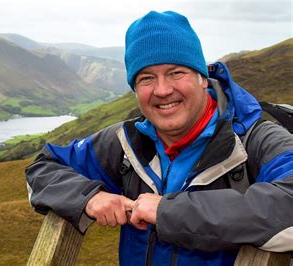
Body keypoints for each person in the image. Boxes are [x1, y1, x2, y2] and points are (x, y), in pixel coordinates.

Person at [26, 10, 293, 265]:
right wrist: (89, 197)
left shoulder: (255, 140)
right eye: (146, 78)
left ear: (202, 77)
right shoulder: (126, 142)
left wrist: (167, 212)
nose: (163, 90)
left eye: (177, 72)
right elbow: (43, 168)